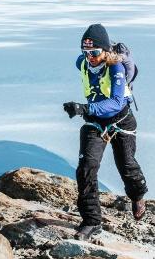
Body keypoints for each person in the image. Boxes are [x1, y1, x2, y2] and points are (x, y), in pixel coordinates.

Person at [63, 23, 148, 240]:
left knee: (126, 164)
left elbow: (117, 102)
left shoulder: (116, 68)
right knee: (86, 169)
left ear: (105, 50)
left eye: (94, 52)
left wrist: (83, 108)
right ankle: (92, 221)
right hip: (95, 122)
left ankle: (137, 195)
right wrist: (87, 111)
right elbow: (79, 62)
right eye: (86, 52)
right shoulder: (83, 62)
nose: (89, 56)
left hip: (121, 120)